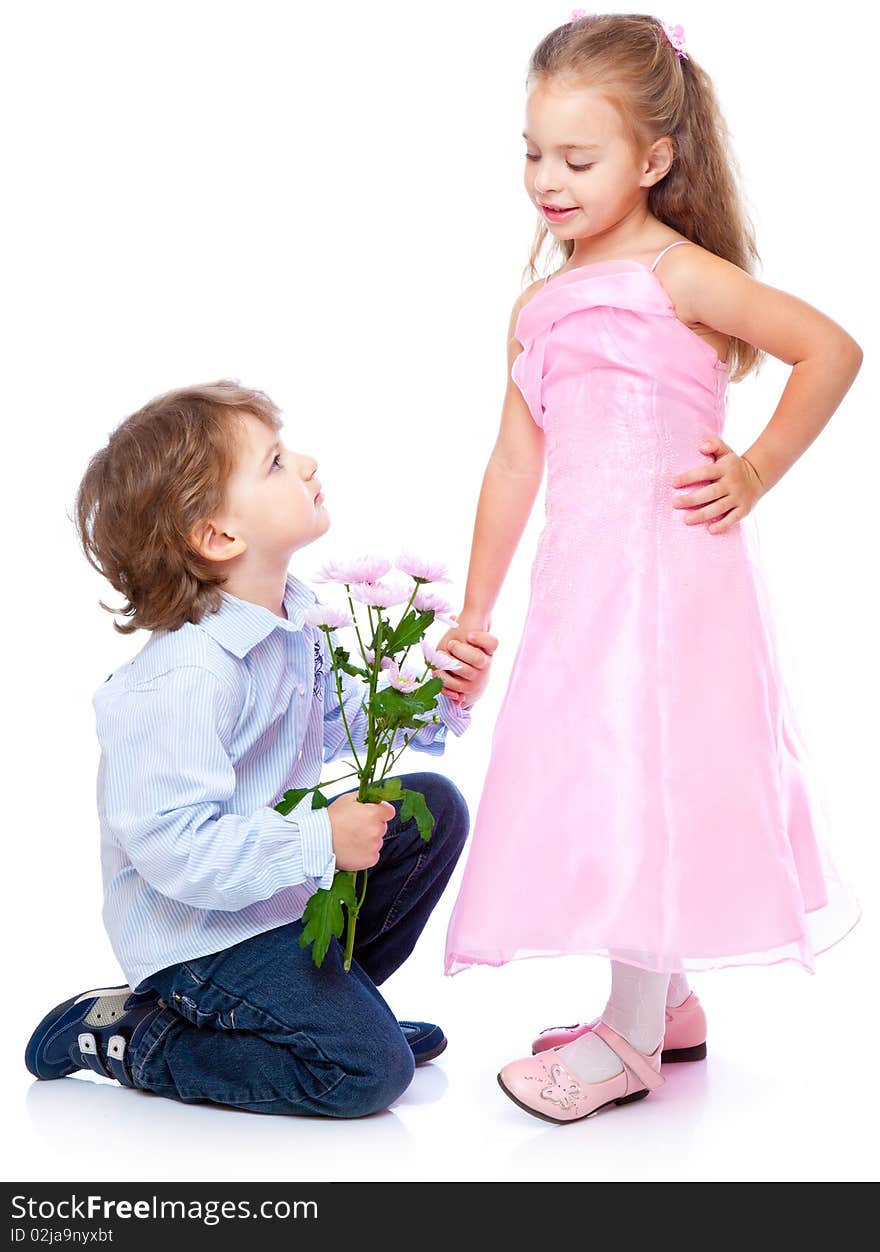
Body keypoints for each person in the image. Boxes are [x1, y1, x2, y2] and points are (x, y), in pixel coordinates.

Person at [432, 12, 863, 1123]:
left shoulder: (678, 273)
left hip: (674, 581)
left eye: (578, 159)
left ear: (653, 159)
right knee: (600, 763)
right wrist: (476, 612)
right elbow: (512, 463)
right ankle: (663, 1006)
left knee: (646, 768)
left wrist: (757, 469)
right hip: (586, 586)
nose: (547, 179)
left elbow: (830, 348)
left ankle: (623, 1038)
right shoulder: (537, 305)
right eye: (533, 153)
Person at [24, 380, 498, 1117]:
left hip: (272, 900)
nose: (306, 464)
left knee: (429, 809)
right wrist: (318, 840)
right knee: (369, 1076)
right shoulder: (183, 677)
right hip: (202, 938)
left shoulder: (290, 618)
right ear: (219, 537)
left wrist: (431, 693)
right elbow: (175, 849)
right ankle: (142, 1040)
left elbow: (330, 725)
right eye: (276, 462)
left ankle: (324, 1014)